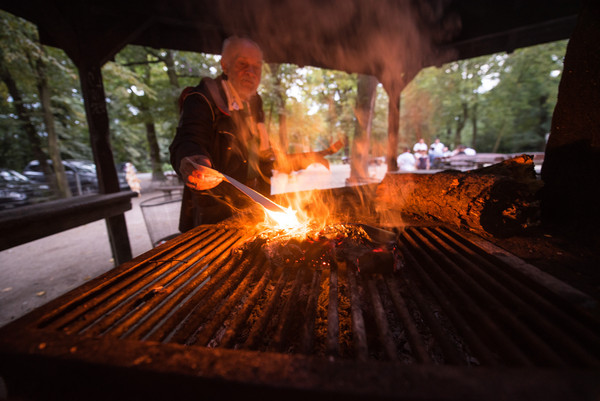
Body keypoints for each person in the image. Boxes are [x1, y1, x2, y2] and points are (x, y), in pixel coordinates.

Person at [169, 36, 335, 232]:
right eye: (242, 64)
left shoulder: (255, 102)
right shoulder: (201, 99)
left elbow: (264, 160)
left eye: (257, 66)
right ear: (225, 65)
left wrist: (305, 158)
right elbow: (188, 139)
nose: (251, 72)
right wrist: (193, 161)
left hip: (258, 206)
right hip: (218, 212)